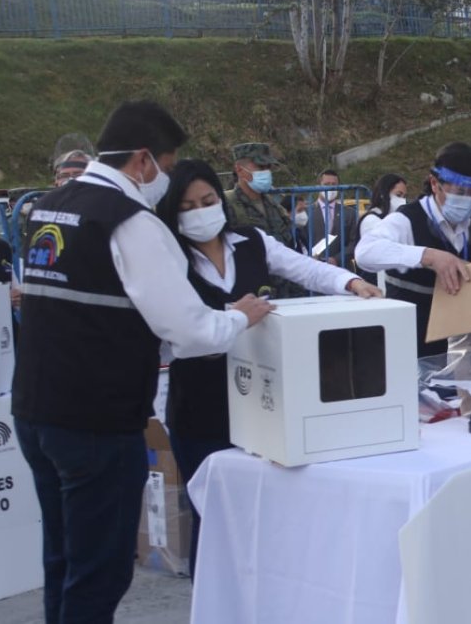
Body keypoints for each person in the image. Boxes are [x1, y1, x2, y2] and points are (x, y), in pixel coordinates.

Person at [12, 101, 274, 624]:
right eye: (169, 167)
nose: (167, 181)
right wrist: (241, 317)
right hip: (96, 424)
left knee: (63, 558)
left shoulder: (51, 205)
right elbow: (191, 330)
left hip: (35, 411)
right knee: (99, 572)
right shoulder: (130, 223)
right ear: (142, 161)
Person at [156, 159, 381, 578]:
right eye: (187, 206)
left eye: (208, 200)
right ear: (172, 212)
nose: (201, 211)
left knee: (268, 513)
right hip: (200, 407)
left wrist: (350, 283)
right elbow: (174, 335)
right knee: (215, 514)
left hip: (265, 402)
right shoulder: (167, 260)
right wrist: (231, 314)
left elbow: (304, 268)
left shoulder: (251, 241)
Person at [356, 143, 471, 359]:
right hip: (412, 352)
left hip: (464, 352)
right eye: (460, 192)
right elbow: (365, 252)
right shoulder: (407, 220)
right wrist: (427, 256)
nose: (467, 200)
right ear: (434, 184)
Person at [225, 143, 304, 297]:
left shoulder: (275, 207)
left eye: (268, 167)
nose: (266, 173)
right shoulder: (229, 206)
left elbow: (289, 251)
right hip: (250, 298)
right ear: (240, 169)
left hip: (285, 295)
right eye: (260, 167)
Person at [356, 174, 408, 289]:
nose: (402, 200)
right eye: (398, 195)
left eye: (404, 196)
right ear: (383, 194)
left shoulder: (391, 219)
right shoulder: (372, 220)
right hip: (373, 284)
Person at [308, 168, 360, 268]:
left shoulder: (350, 213)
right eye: (327, 184)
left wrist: (337, 259)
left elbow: (355, 241)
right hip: (313, 269)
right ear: (318, 186)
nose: (330, 188)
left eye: (334, 185)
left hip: (343, 269)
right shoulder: (307, 213)